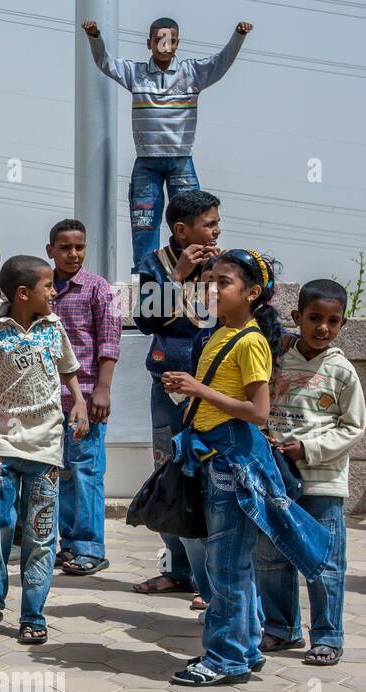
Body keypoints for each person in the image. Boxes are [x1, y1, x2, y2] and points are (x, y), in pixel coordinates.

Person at [162, 251, 330, 687]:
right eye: (210, 281)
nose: (212, 289)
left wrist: (197, 388)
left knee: (227, 569)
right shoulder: (221, 333)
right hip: (214, 461)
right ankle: (246, 648)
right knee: (231, 566)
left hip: (232, 467)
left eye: (223, 283)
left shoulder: (250, 341)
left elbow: (258, 411)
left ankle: (226, 659)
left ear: (252, 293)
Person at [0, 255, 88, 644]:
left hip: (47, 444)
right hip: (1, 442)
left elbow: (68, 370)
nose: (53, 292)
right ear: (23, 293)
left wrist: (78, 400)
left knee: (41, 533)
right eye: (48, 286)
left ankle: (33, 613)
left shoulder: (54, 328)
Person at [83, 17, 252, 267]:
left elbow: (221, 62)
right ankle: (145, 275)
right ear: (149, 43)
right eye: (159, 40)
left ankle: (196, 270)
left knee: (194, 221)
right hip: (147, 162)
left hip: (181, 161)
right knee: (144, 224)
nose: (165, 45)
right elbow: (105, 62)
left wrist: (239, 36)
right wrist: (95, 37)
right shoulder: (136, 73)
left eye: (170, 40)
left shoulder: (192, 73)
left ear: (177, 43)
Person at [256, 279, 363, 667]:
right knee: (270, 556)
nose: (322, 328)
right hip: (277, 477)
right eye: (314, 318)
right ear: (296, 317)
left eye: (332, 321)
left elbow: (352, 427)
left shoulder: (342, 372)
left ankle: (328, 636)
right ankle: (281, 628)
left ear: (343, 325)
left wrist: (310, 449)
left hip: (322, 481)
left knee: (324, 561)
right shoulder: (278, 357)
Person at [132, 189, 222, 605]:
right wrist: (178, 277)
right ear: (181, 230)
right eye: (209, 224)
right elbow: (145, 320)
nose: (216, 230)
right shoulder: (152, 265)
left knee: (209, 476)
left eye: (217, 223)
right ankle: (178, 570)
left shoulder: (226, 265)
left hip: (216, 387)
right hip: (168, 385)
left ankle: (214, 579)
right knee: (169, 472)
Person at [46, 219, 121, 576]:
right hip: (45, 402)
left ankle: (90, 548)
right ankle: (67, 545)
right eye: (65, 248)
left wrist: (103, 390)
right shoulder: (41, 289)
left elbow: (108, 344)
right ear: (51, 251)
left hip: (87, 398)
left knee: (86, 471)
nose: (73, 254)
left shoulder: (98, 289)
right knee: (57, 474)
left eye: (79, 247)